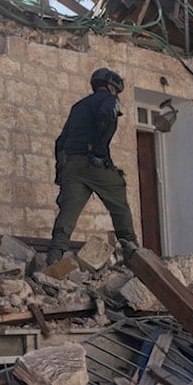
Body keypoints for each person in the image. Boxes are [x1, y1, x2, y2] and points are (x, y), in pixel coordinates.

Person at [46, 67, 140, 265]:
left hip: (72, 165)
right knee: (117, 195)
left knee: (68, 213)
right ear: (110, 87)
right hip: (92, 163)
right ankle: (132, 251)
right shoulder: (110, 100)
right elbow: (107, 118)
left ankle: (54, 257)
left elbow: (60, 142)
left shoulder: (78, 106)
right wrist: (98, 151)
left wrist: (60, 171)